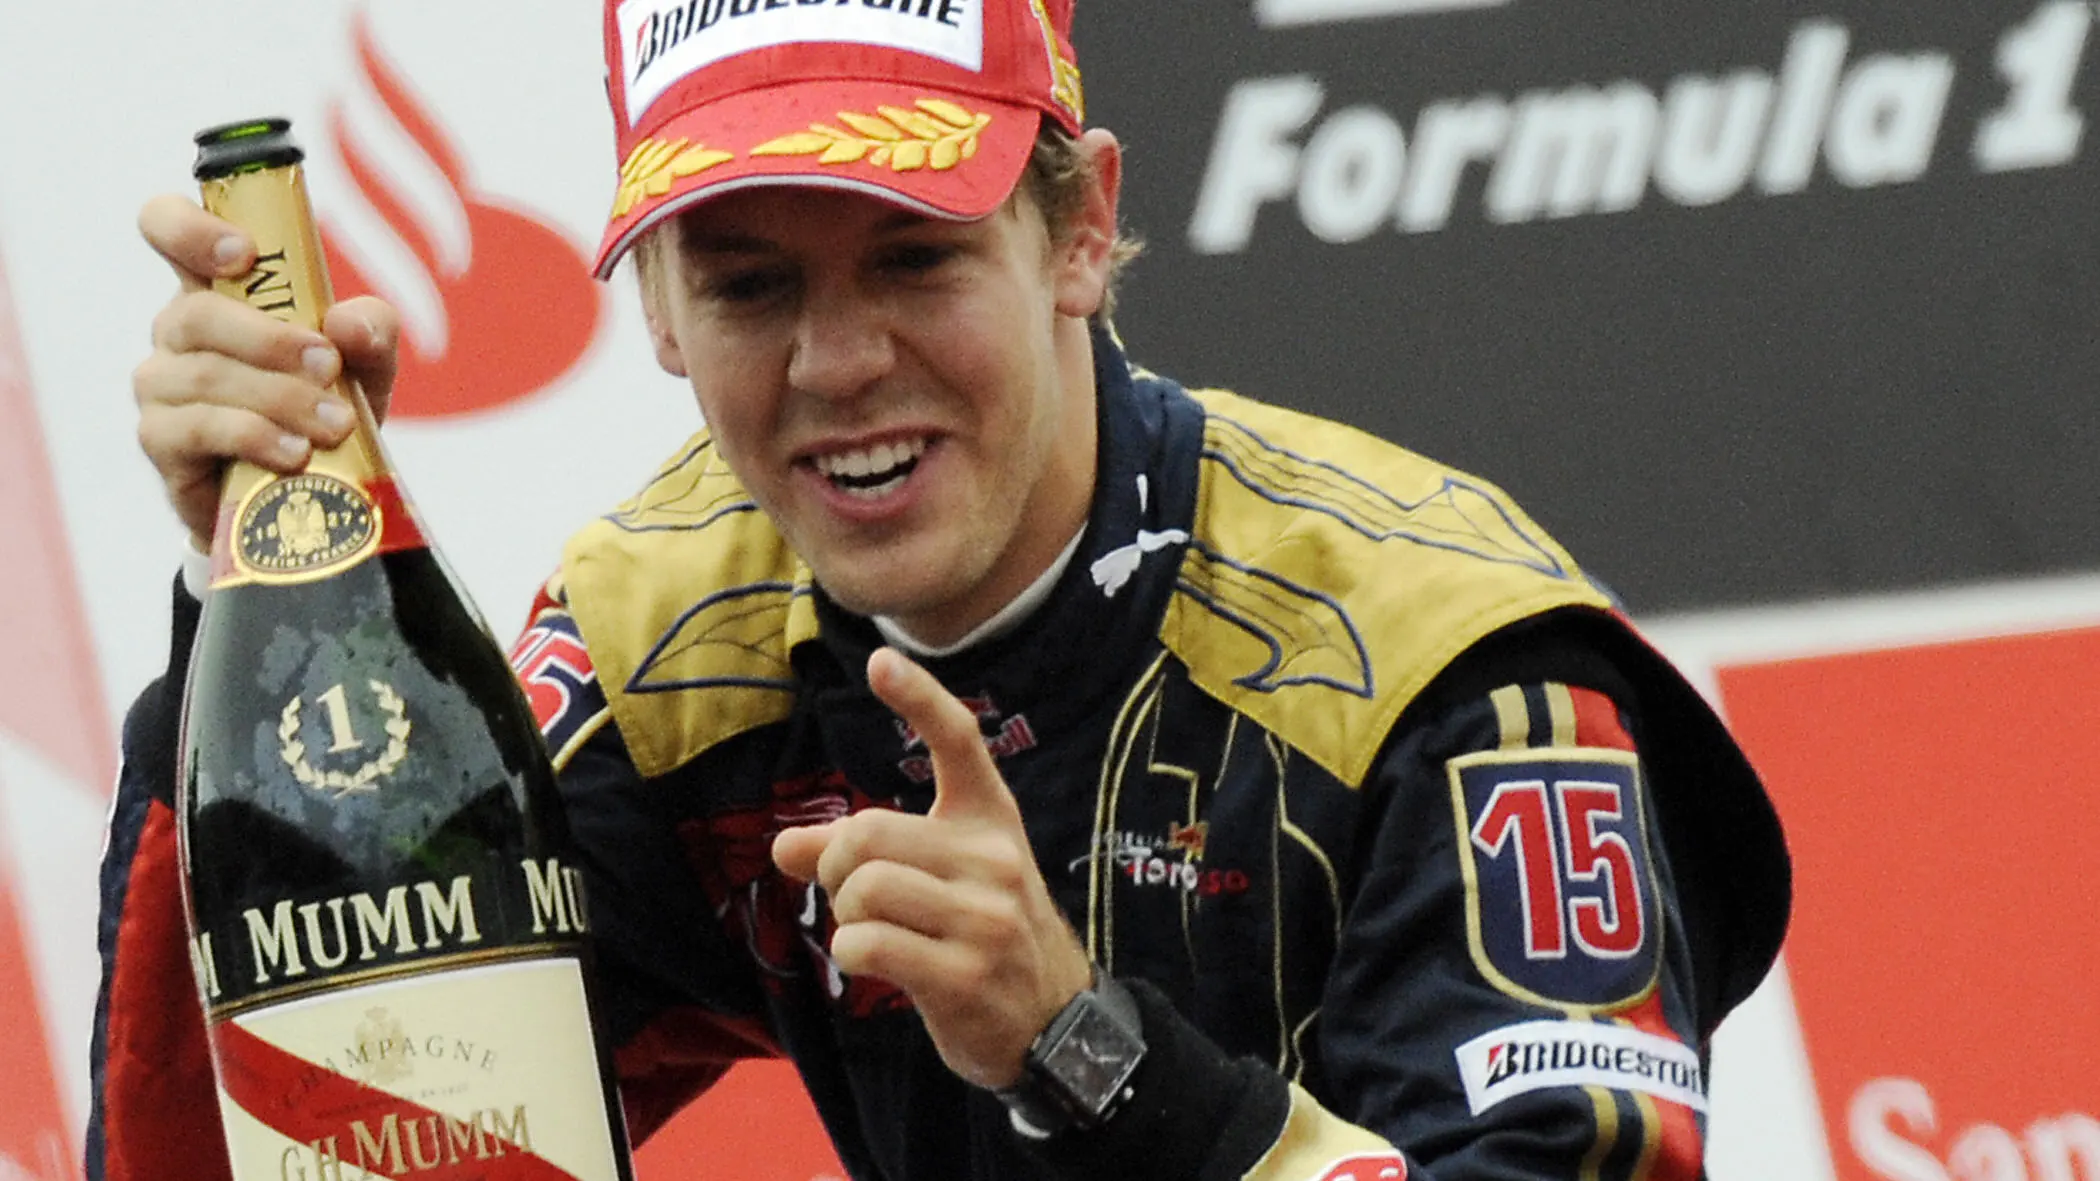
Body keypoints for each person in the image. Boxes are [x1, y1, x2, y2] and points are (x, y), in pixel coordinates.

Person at [93, 1, 1791, 1178]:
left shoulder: (1446, 672)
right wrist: (241, 592)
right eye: (751, 287)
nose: (839, 364)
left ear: (1080, 230)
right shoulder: (664, 646)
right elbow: (273, 1145)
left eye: (914, 257)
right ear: (661, 318)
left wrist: (1085, 1046)